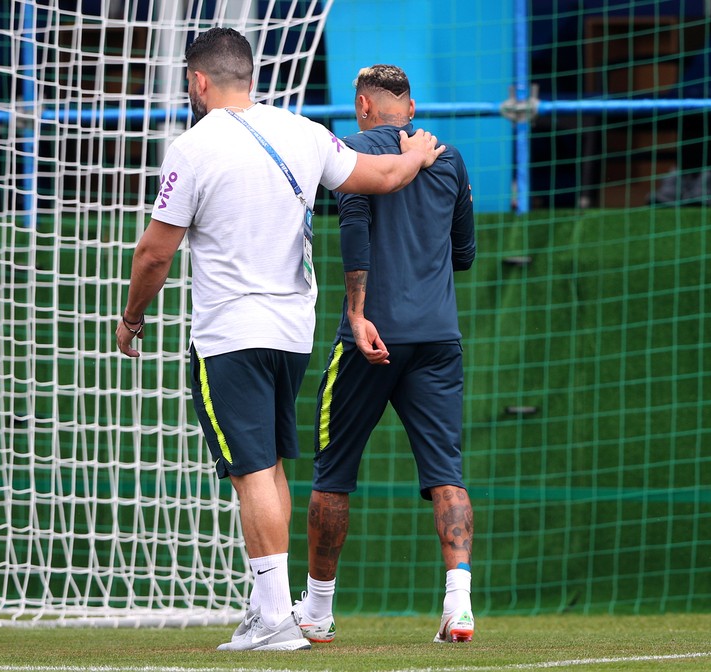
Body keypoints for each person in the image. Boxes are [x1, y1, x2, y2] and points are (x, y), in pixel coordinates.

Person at [115, 30, 444, 652]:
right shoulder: (304, 131)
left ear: (200, 81)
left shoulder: (193, 145)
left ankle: (273, 620)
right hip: (294, 331)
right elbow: (380, 175)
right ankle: (269, 609)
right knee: (272, 470)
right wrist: (419, 155)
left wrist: (132, 317)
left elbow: (156, 252)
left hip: (231, 331)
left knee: (251, 474)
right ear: (252, 76)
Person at [294, 64, 477, 645]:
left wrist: (357, 310)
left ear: (363, 107)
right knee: (447, 474)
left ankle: (319, 612)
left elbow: (353, 227)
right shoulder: (449, 159)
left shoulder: (350, 150)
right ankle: (459, 604)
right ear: (412, 108)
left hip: (369, 336)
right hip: (437, 336)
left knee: (332, 476)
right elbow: (464, 253)